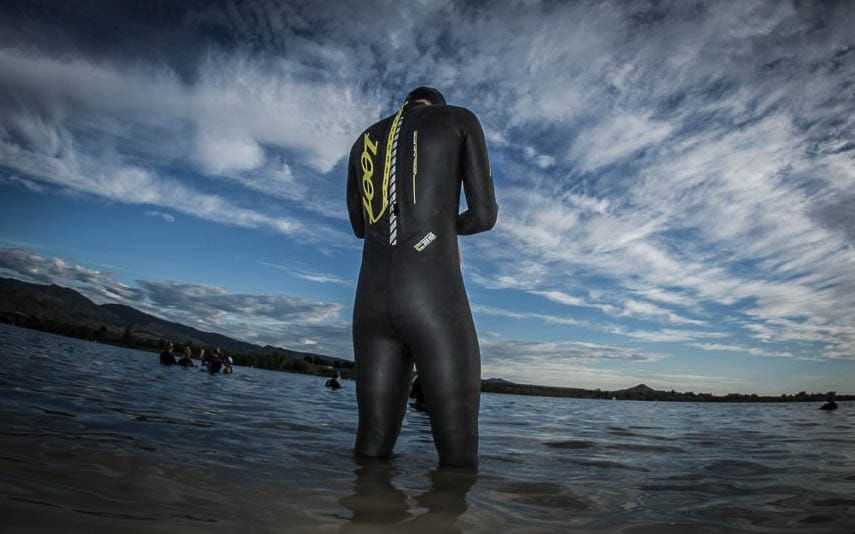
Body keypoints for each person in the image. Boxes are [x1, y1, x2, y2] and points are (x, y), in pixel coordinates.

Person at [346, 86, 498, 468]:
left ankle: (366, 512)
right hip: (430, 292)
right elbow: (484, 216)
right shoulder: (459, 120)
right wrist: (441, 229)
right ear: (437, 105)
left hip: (370, 299)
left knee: (371, 446)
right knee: (458, 451)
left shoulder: (363, 141)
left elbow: (359, 226)